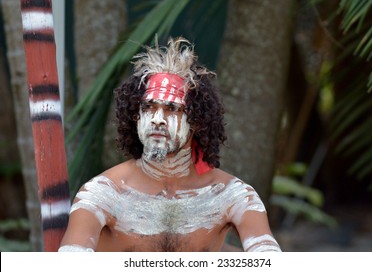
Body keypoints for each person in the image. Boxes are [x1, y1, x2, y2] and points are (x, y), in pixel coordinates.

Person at [59, 37, 281, 252]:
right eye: (148, 108)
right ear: (135, 117)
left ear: (196, 122)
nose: (157, 119)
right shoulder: (103, 193)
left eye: (172, 109)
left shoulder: (230, 195)